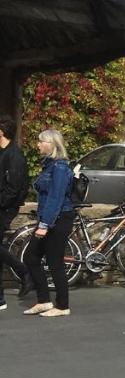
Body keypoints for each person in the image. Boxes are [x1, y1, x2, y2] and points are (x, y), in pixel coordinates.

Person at [23, 129, 75, 318]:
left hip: (59, 218)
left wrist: (44, 225)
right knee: (31, 257)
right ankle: (44, 301)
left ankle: (62, 306)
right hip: (49, 217)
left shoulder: (60, 168)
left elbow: (56, 198)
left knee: (55, 262)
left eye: (41, 141)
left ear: (52, 144)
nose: (37, 144)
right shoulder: (50, 165)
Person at [0, 116, 32, 310]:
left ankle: (25, 271)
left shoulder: (15, 156)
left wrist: (3, 203)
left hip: (5, 208)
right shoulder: (3, 153)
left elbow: (14, 188)